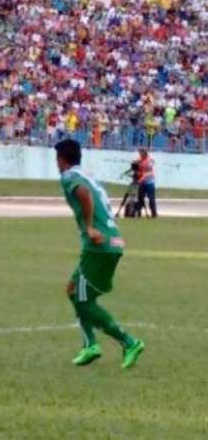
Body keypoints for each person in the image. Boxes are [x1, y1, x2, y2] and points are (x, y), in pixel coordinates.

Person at [54, 139, 145, 369]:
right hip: (112, 242)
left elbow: (83, 194)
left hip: (98, 245)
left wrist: (89, 227)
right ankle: (90, 345)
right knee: (73, 290)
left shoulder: (69, 177)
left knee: (82, 301)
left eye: (57, 158)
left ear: (61, 159)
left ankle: (129, 342)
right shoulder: (87, 175)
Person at [135, 149, 157, 218]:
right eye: (139, 153)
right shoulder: (139, 159)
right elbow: (136, 167)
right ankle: (139, 212)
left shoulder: (149, 160)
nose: (140, 155)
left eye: (141, 153)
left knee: (151, 199)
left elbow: (149, 171)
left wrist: (142, 176)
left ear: (145, 153)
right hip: (142, 183)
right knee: (140, 198)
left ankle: (154, 213)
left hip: (149, 182)